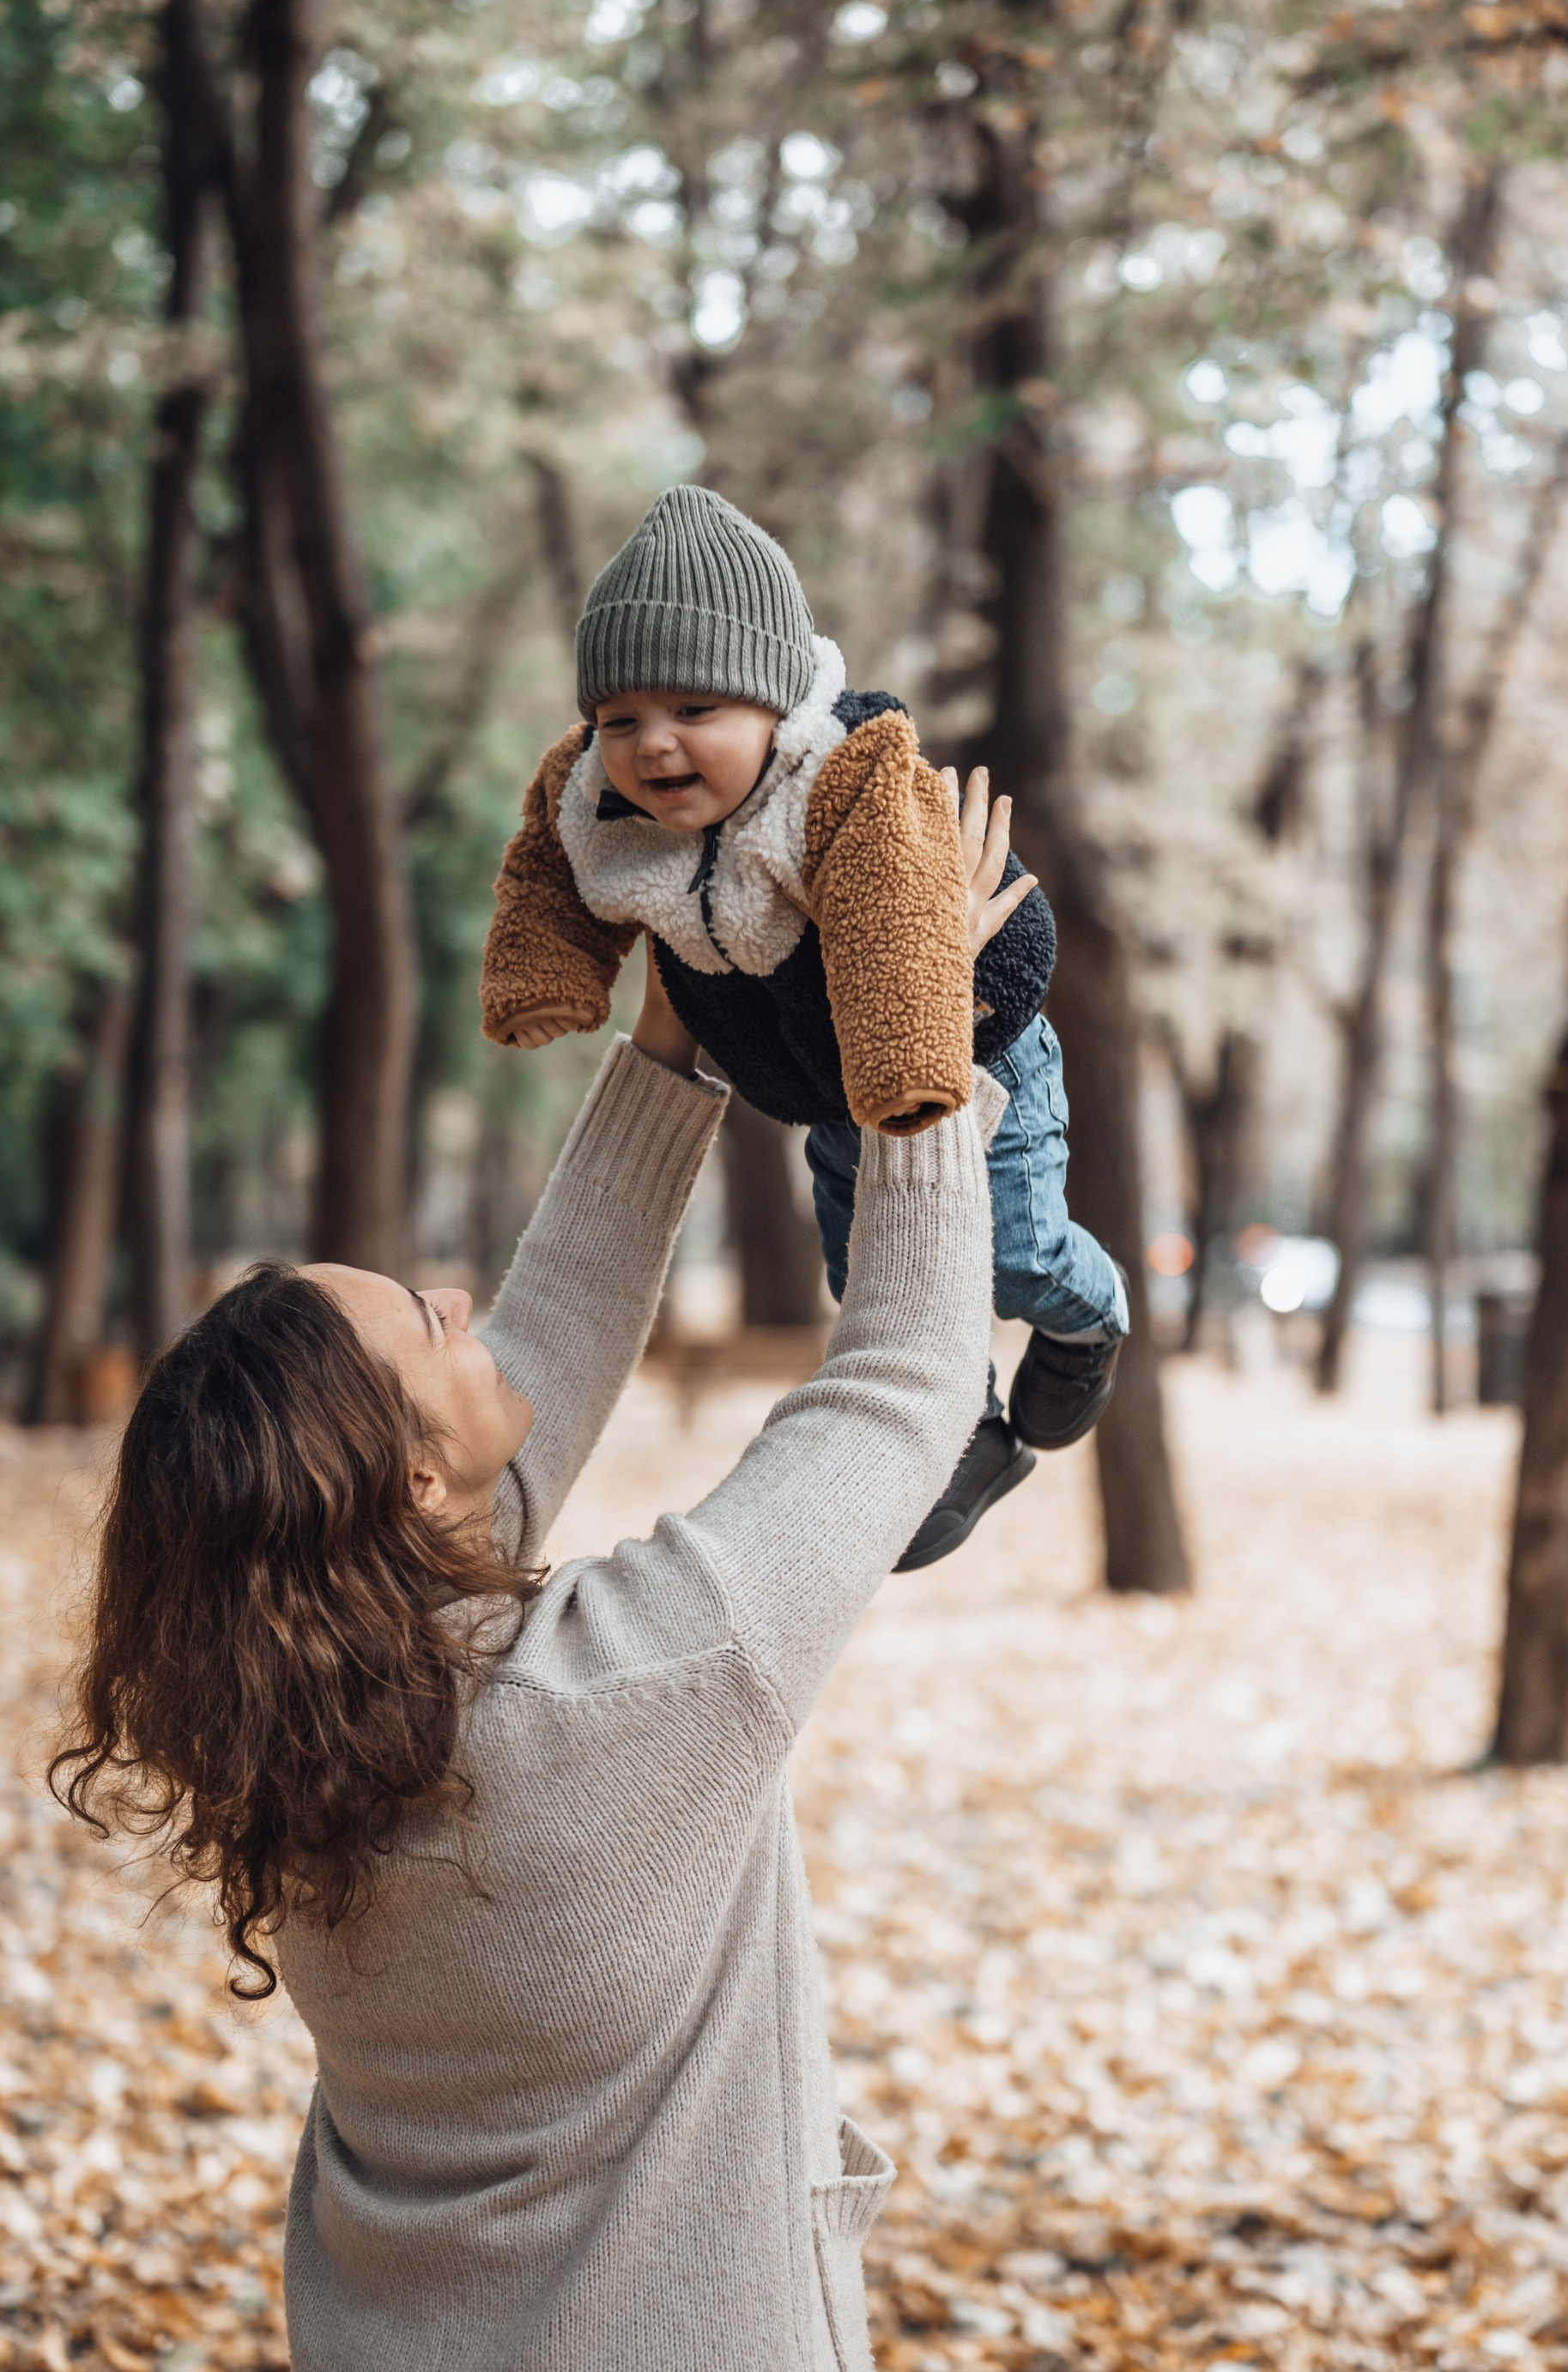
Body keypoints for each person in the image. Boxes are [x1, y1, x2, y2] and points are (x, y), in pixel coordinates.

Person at [52, 894, 1012, 2372]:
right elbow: (908, 1373)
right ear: (407, 1483)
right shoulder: (642, 1681)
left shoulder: (277, 1720)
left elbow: (535, 1353)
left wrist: (667, 1050)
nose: (457, 1300)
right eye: (424, 1322)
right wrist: (920, 1039)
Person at [478, 480, 1127, 1570]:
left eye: (695, 712)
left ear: (777, 705)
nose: (653, 747)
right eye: (621, 719)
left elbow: (891, 912)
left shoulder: (846, 778)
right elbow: (545, 864)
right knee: (869, 1267)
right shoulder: (594, 799)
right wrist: (547, 979)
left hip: (960, 1040)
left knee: (1005, 1250)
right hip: (834, 1082)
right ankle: (963, 1430)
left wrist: (917, 1065)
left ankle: (1088, 1308)